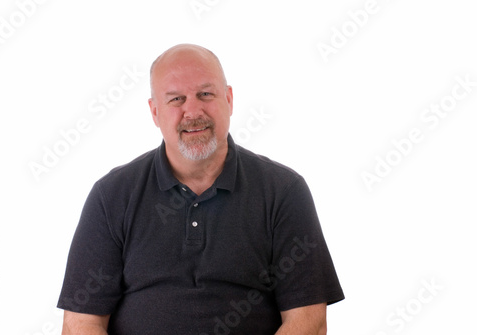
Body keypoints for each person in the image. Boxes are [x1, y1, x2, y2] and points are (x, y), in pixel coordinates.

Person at [57, 43, 344, 335]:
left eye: (205, 94)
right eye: (176, 99)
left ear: (229, 100)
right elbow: (82, 324)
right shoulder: (112, 196)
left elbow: (308, 321)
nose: (192, 111)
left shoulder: (283, 192)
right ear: (155, 112)